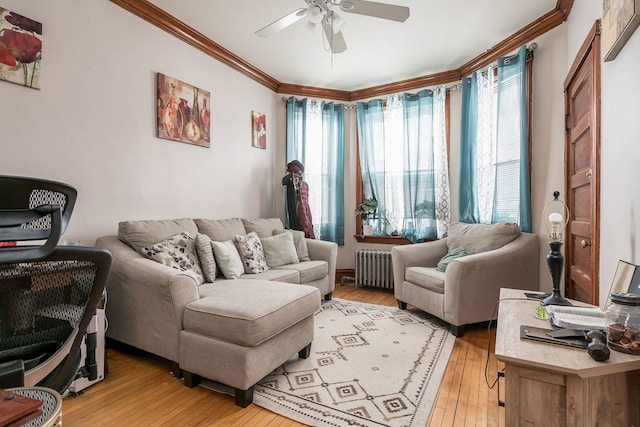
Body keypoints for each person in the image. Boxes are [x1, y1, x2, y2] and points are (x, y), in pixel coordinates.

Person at [282, 160, 315, 239]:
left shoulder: (304, 185)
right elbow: (284, 181)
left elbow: (304, 207)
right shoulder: (291, 184)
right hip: (297, 216)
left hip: (303, 215)